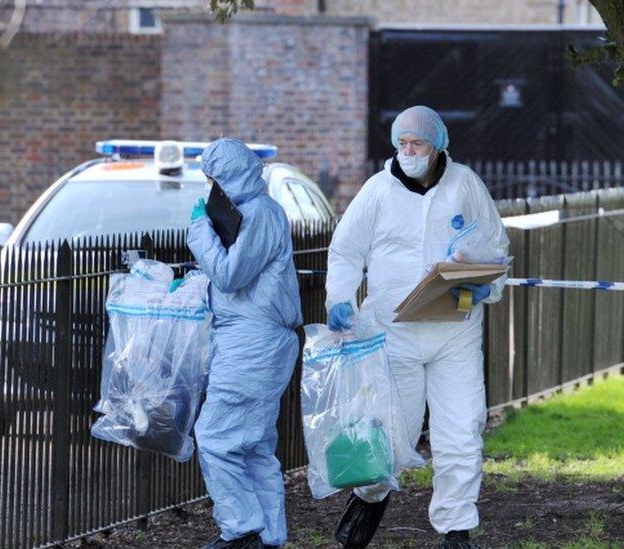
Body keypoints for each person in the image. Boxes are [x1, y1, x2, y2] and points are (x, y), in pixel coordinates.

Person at [325, 106, 509, 549]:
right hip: (394, 332)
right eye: (401, 144)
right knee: (391, 432)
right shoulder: (378, 191)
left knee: (461, 430)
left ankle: (456, 528)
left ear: (438, 145)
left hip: (455, 330)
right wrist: (339, 298)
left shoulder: (464, 184)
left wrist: (488, 284)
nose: (408, 152)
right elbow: (346, 251)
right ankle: (368, 499)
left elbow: (496, 245)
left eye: (417, 144)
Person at [187, 138, 303, 549]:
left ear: (224, 177)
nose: (209, 189)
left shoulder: (258, 215)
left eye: (211, 179)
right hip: (256, 339)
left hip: (252, 344)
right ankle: (268, 537)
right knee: (252, 445)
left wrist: (200, 229)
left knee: (216, 436)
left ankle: (242, 530)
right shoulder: (258, 212)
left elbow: (230, 275)